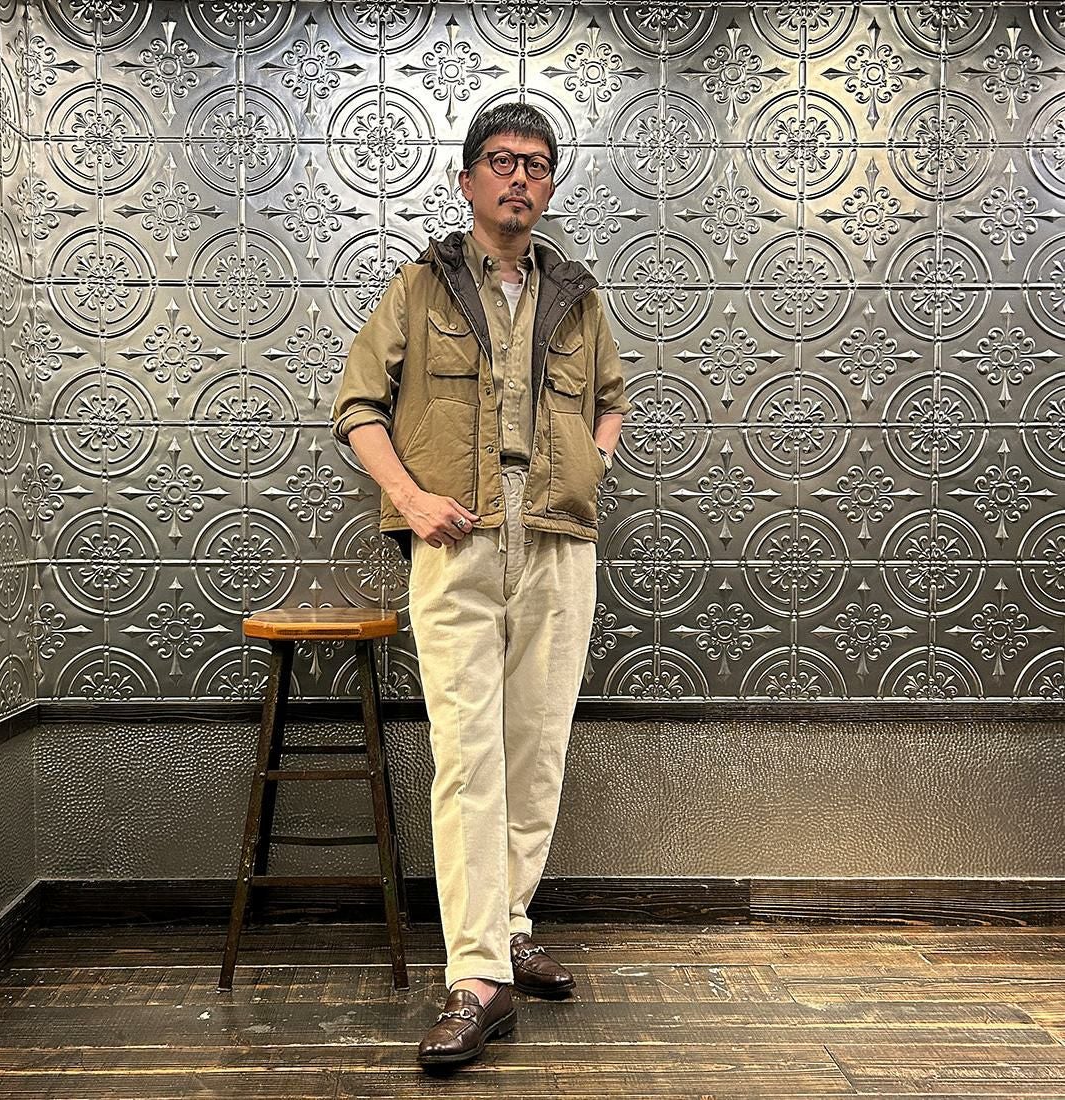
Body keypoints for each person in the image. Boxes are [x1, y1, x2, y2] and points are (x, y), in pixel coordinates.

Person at [331, 101, 630, 1069]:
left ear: (550, 185)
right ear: (466, 180)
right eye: (500, 161)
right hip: (457, 543)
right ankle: (476, 977)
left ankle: (509, 925)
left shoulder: (577, 295)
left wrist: (588, 467)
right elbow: (356, 406)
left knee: (535, 751)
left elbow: (612, 401)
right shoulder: (420, 285)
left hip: (556, 540)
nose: (518, 178)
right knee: (467, 756)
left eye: (535, 165)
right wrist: (412, 499)